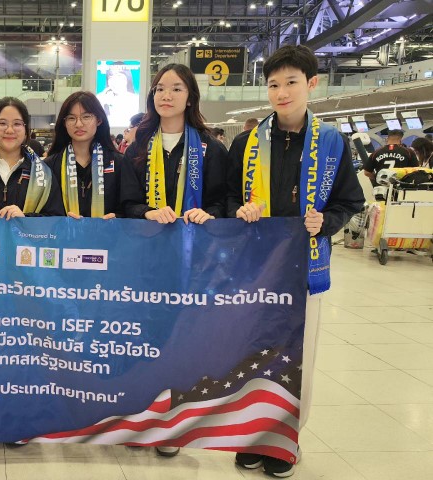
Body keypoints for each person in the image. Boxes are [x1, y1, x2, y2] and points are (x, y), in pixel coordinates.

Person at [226, 45, 364, 478]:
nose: (281, 93)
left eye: (291, 83)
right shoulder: (247, 143)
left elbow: (349, 201)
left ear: (311, 84)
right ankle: (251, 435)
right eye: (273, 84)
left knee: (297, 355)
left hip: (305, 267)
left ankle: (286, 440)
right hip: (255, 267)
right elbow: (226, 196)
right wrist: (239, 209)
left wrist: (326, 222)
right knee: (251, 352)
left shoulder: (333, 143)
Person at [125, 64, 229, 226]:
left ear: (190, 99)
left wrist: (208, 214)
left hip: (196, 236)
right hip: (149, 237)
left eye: (176, 89)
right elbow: (127, 203)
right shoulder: (138, 149)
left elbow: (222, 202)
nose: (166, 96)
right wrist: (148, 212)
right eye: (160, 89)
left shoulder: (211, 149)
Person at [43, 91, 143, 219]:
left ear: (99, 120)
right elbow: (44, 212)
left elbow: (130, 206)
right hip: (64, 232)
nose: (79, 124)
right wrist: (60, 219)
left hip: (107, 231)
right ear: (64, 123)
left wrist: (118, 217)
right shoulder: (49, 166)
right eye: (71, 118)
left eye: (86, 117)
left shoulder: (119, 163)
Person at [0, 97, 64, 218]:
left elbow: (55, 219)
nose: (9, 130)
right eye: (2, 123)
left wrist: (26, 218)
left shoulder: (45, 174)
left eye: (17, 124)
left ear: (26, 129)